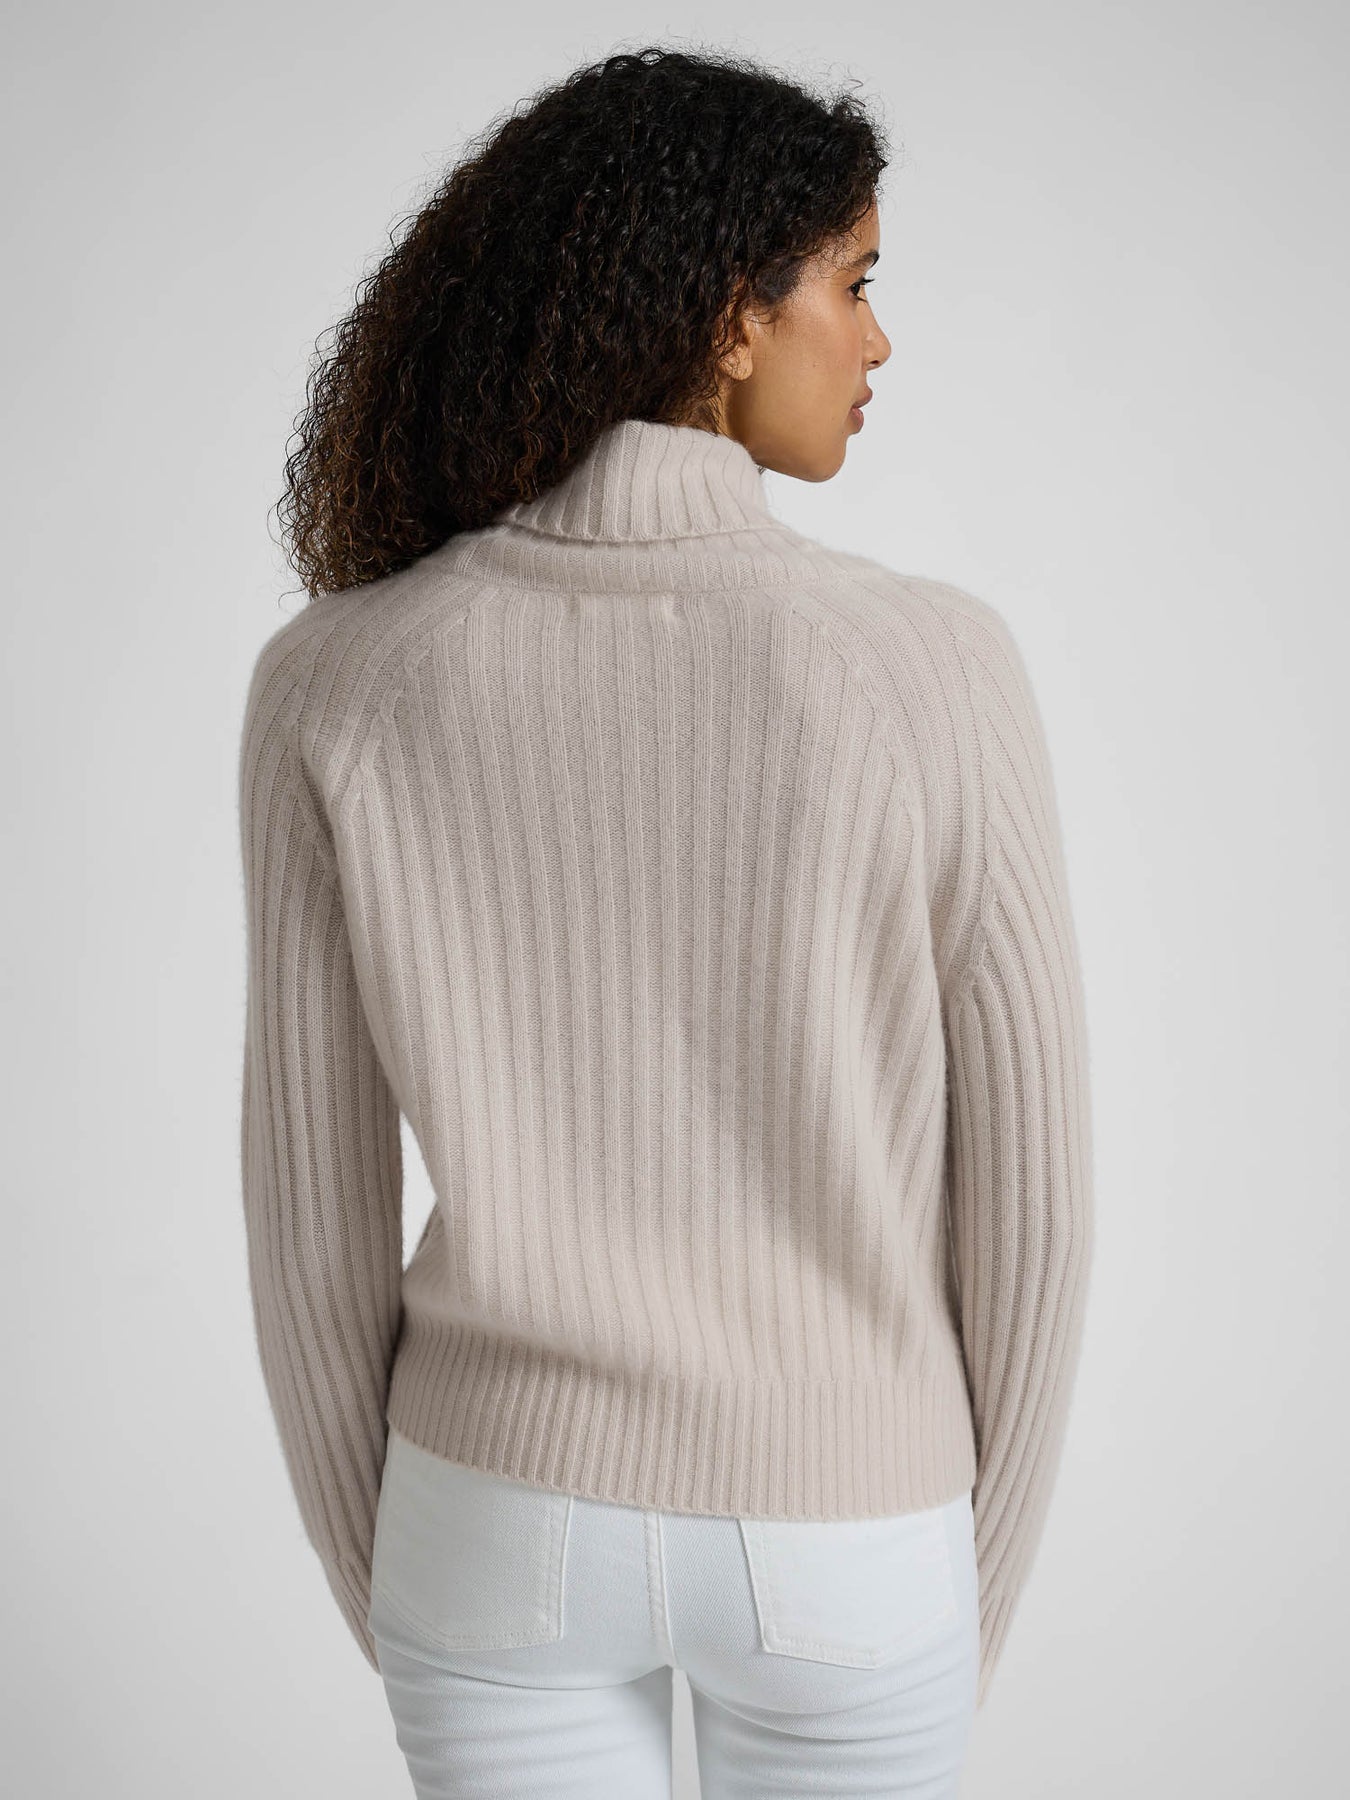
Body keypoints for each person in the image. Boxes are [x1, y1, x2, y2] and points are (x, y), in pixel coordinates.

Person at [237, 44, 1093, 1798]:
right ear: (727, 319)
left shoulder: (336, 678)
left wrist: (406, 1575)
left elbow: (308, 1225)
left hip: (489, 1517)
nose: (876, 341)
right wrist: (948, 1586)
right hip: (852, 1525)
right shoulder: (932, 667)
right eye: (851, 283)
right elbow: (1033, 1206)